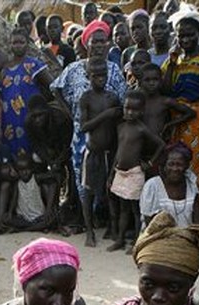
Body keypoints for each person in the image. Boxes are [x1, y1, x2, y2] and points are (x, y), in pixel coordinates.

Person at [52, 20, 128, 212]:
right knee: (81, 175)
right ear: (87, 44)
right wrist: (70, 114)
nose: (99, 46)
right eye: (95, 41)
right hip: (81, 134)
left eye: (103, 41)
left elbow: (123, 101)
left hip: (106, 135)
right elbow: (56, 88)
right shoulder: (74, 69)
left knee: (105, 174)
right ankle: (86, 218)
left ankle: (101, 215)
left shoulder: (114, 70)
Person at [162, 12, 199, 210]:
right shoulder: (174, 59)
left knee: (197, 163)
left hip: (196, 118)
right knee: (175, 163)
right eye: (181, 36)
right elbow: (166, 89)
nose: (185, 40)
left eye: (190, 35)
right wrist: (173, 62)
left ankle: (198, 209)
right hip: (175, 116)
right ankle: (178, 206)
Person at [110, 90, 165, 252]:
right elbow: (118, 152)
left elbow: (161, 145)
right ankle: (120, 239)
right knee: (123, 208)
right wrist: (111, 174)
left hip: (135, 173)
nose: (130, 112)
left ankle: (136, 242)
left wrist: (150, 162)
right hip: (120, 172)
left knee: (135, 209)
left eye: (134, 110)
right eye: (127, 108)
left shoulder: (142, 129)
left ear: (141, 111)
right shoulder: (121, 126)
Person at [79, 56, 121, 247]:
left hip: (109, 152)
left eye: (103, 75)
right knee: (89, 192)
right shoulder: (86, 98)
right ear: (88, 76)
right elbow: (84, 127)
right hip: (93, 152)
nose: (100, 79)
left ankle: (113, 227)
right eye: (96, 75)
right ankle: (89, 232)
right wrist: (105, 115)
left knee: (110, 190)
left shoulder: (112, 98)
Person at [0, 27, 52, 157]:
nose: (17, 46)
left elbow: (52, 86)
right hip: (9, 121)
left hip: (30, 119)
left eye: (21, 42)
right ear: (10, 44)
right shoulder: (5, 69)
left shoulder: (34, 65)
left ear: (27, 44)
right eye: (14, 43)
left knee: (33, 154)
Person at [139, 144, 199, 227]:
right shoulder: (152, 186)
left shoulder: (191, 183)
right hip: (158, 236)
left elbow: (197, 217)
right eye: (171, 164)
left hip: (186, 236)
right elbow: (150, 224)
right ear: (164, 166)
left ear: (186, 166)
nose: (175, 169)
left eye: (179, 164)